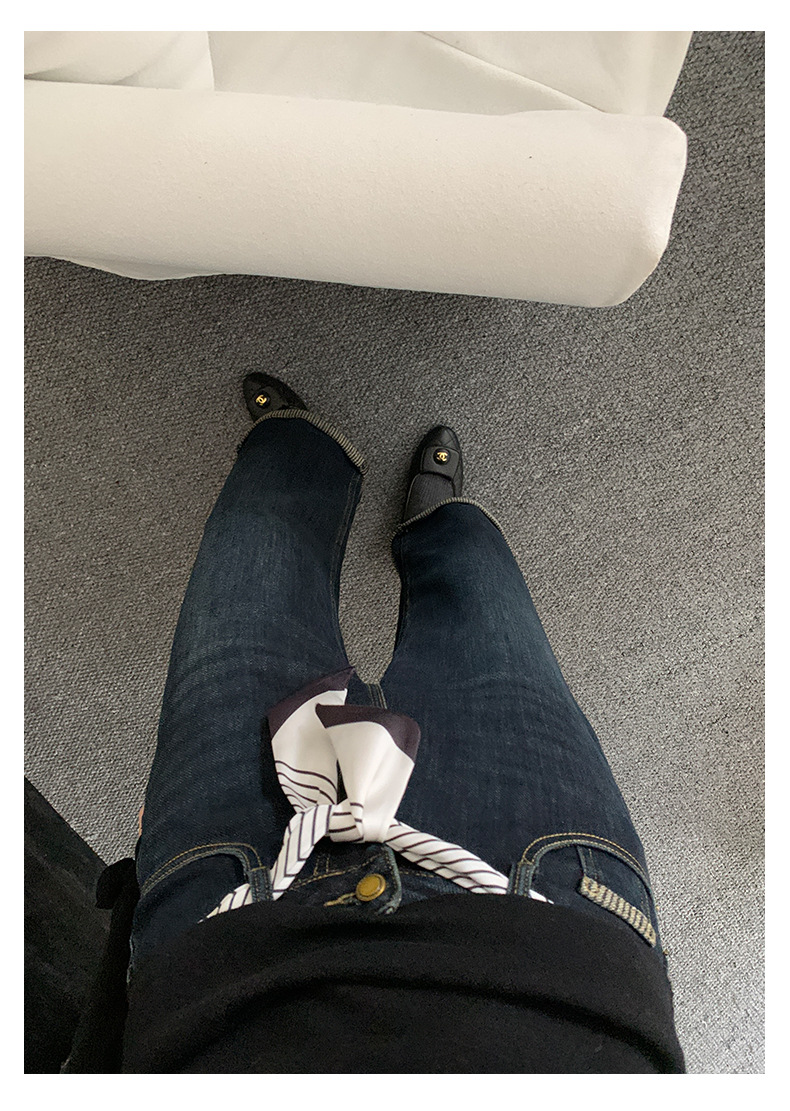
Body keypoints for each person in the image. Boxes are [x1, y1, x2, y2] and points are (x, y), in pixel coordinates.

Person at [65, 373, 685, 1073]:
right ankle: (440, 523)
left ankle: (297, 445)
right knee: (483, 602)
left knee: (251, 565)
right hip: (554, 916)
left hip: (223, 926)